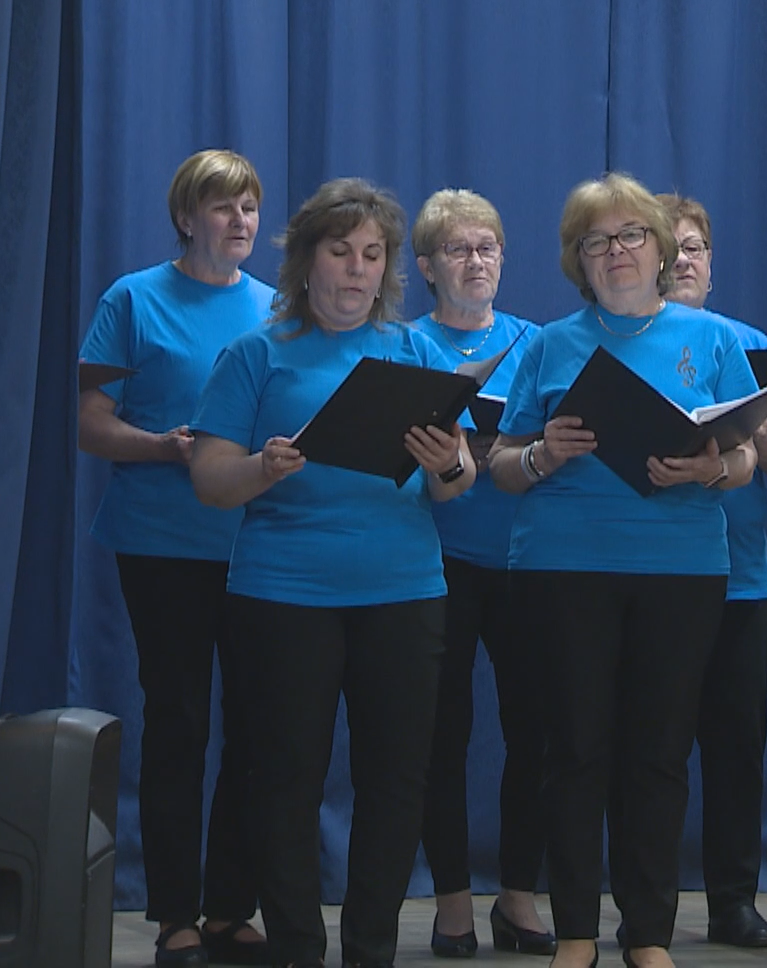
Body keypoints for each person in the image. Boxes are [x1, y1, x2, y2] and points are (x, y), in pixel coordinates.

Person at [188, 178, 473, 968]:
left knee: (396, 780)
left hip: (404, 592)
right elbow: (210, 481)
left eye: (372, 255)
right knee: (284, 779)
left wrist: (449, 463)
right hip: (284, 596)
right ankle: (296, 948)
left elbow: (457, 482)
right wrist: (262, 468)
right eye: (341, 252)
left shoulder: (414, 351)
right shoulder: (256, 354)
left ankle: (371, 950)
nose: (357, 269)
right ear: (306, 262)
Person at [484, 173, 760, 968]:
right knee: (573, 749)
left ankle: (647, 935)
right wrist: (542, 455)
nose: (615, 252)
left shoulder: (714, 341)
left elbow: (745, 455)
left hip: (681, 570)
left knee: (659, 753)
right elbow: (501, 464)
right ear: (578, 259)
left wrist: (710, 469)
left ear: (661, 249)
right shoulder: (548, 345)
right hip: (563, 568)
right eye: (596, 241)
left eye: (631, 235)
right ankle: (576, 932)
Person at [77, 148, 272, 967]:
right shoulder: (132, 299)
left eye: (250, 208)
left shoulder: (276, 308)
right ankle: (175, 917)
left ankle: (230, 909)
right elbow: (90, 423)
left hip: (256, 547)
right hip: (163, 544)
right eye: (224, 207)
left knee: (258, 728)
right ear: (187, 218)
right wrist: (163, 447)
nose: (240, 222)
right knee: (180, 721)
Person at [408, 189, 554, 959]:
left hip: (526, 561)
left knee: (536, 732)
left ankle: (519, 895)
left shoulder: (538, 342)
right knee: (441, 734)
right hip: (435, 563)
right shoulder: (405, 345)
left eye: (488, 247)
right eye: (459, 249)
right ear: (427, 266)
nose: (476, 261)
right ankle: (454, 902)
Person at [661, 192, 767, 949]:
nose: (684, 259)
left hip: (739, 577)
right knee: (648, 749)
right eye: (671, 247)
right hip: (646, 579)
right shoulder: (621, 341)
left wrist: (762, 440)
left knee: (734, 748)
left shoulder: (751, 348)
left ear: (712, 263)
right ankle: (644, 904)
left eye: (695, 247)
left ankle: (733, 901)